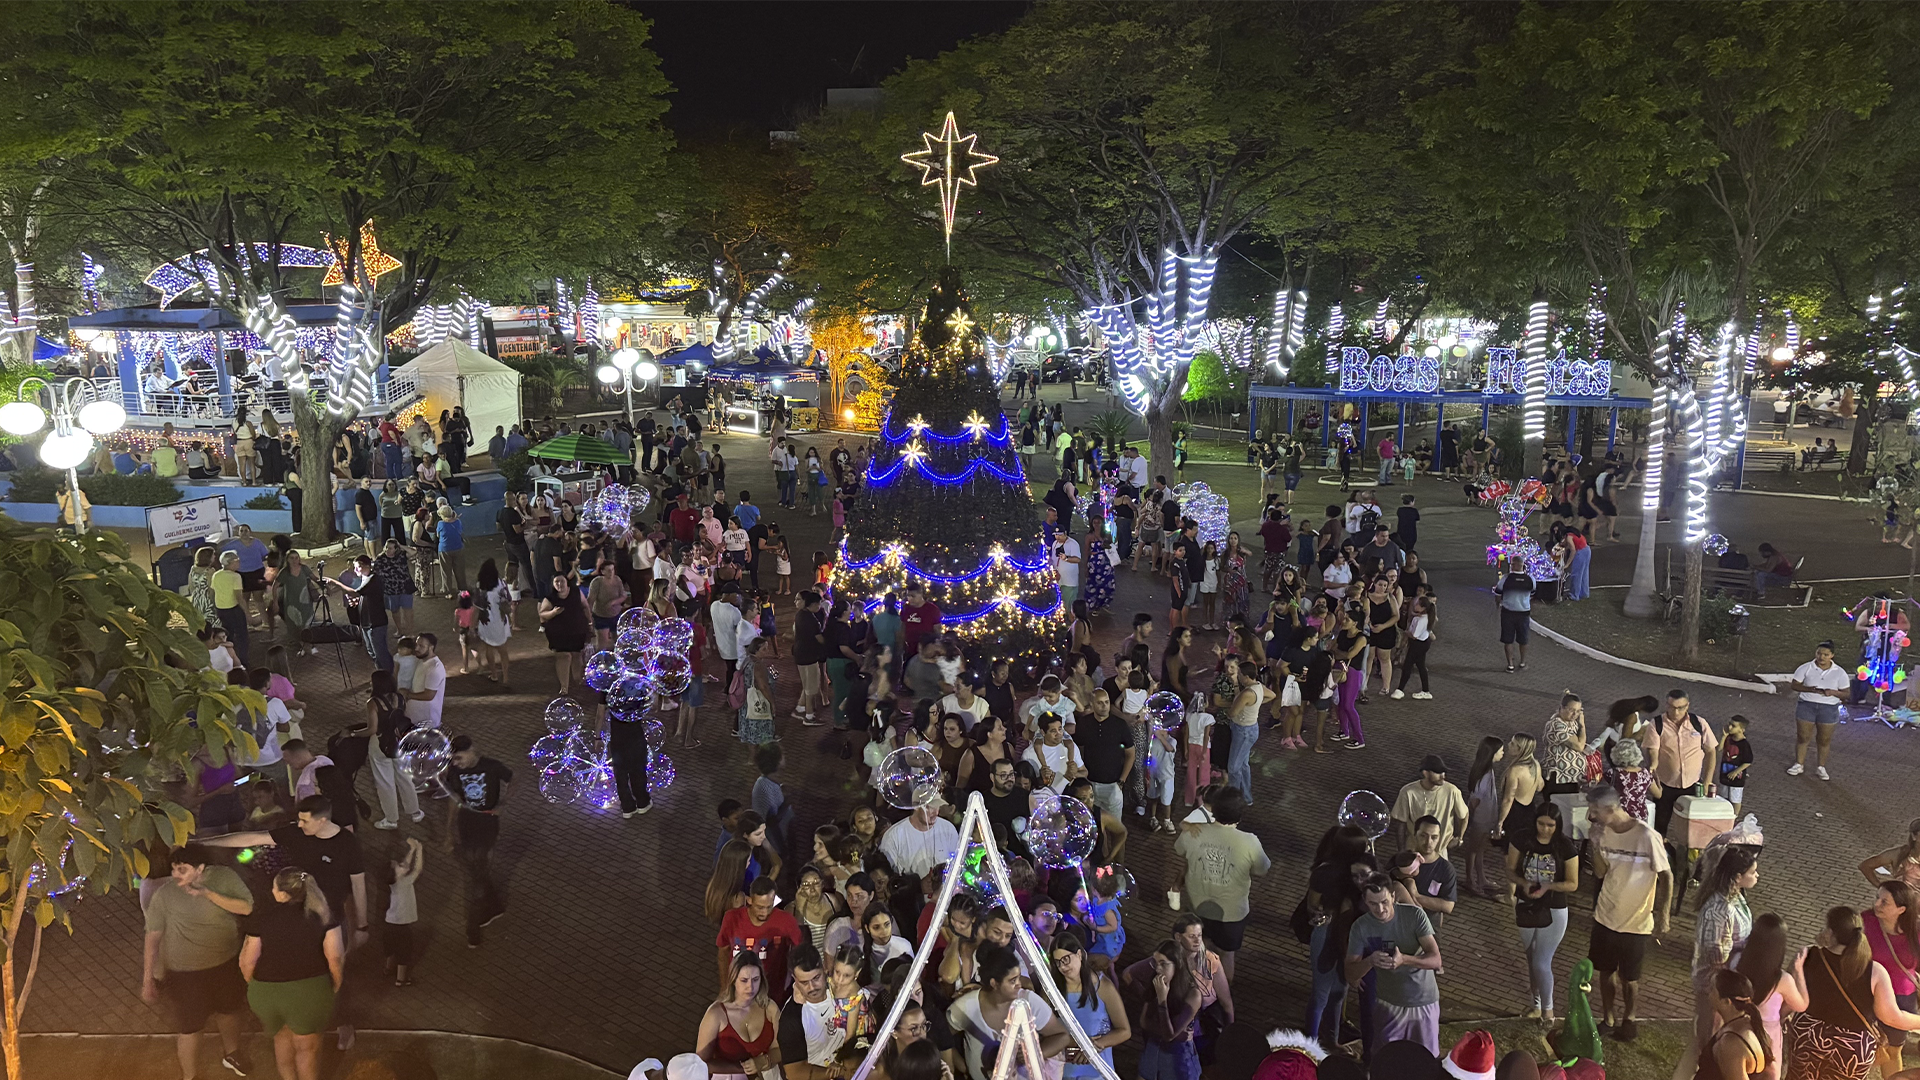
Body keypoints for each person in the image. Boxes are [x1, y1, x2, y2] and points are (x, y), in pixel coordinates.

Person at [142, 844, 256, 1080]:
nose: (175, 875)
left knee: (230, 1011)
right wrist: (148, 979)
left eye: (181, 870)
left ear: (201, 869)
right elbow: (152, 937)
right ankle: (190, 1076)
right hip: (185, 973)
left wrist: (207, 893)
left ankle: (232, 1053)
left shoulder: (224, 878)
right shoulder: (165, 894)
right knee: (190, 1028)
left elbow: (246, 907)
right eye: (174, 869)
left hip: (225, 962)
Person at [1785, 906, 1920, 1080]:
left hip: (1806, 1036)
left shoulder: (1806, 956)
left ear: (1830, 932)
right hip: (1852, 1047)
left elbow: (1788, 996)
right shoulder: (1875, 971)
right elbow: (1892, 1017)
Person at [1586, 782, 1673, 1042]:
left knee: (1630, 978)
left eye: (1594, 811)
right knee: (1605, 971)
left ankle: (1630, 1018)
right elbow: (1601, 873)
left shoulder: (1646, 836)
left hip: (1636, 922)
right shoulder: (1603, 833)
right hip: (1606, 915)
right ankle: (1609, 1017)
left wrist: (1663, 914)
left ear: (1610, 808)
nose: (1591, 816)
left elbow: (1667, 876)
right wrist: (1594, 844)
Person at [239, 869, 346, 1080]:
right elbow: (335, 957)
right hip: (309, 991)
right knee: (307, 1048)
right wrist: (335, 983)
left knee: (281, 1037)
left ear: (281, 893)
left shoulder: (262, 917)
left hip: (266, 993)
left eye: (274, 886)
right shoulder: (324, 917)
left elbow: (247, 960)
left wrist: (256, 985)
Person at [1673, 847, 1761, 1078]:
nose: (1757, 876)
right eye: (1752, 872)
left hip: (1725, 981)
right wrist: (1739, 955)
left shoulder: (1736, 897)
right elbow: (1714, 953)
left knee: (1713, 1036)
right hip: (1714, 984)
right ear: (1737, 877)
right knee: (1704, 1040)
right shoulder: (1719, 909)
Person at [1170, 786, 1268, 982]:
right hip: (1232, 912)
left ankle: (1196, 991)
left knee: (1197, 950)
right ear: (1240, 814)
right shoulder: (1249, 841)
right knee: (1226, 955)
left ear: (1213, 810)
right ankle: (1222, 997)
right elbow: (1262, 869)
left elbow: (1178, 849)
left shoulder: (1194, 832)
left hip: (1198, 907)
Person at [1343, 873, 1444, 1055]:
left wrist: (1404, 959)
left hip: (1423, 1002)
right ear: (1365, 902)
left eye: (1384, 902)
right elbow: (1350, 974)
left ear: (1393, 897)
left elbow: (1436, 960)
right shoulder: (1360, 927)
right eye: (1373, 904)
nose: (1380, 909)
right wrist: (1369, 961)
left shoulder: (1414, 915)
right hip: (1387, 1005)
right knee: (1387, 1059)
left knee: (1425, 1059)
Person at [951, 945, 1068, 1080]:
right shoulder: (967, 1005)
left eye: (1018, 978)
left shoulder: (1029, 1001)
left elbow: (1062, 1036)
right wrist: (961, 1066)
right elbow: (942, 1037)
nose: (1019, 984)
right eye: (1012, 981)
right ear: (994, 983)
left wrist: (1032, 1054)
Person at [1507, 802, 1578, 1024]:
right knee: (1531, 958)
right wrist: (1523, 883)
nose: (1545, 829)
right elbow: (1510, 869)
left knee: (1541, 961)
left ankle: (1549, 1011)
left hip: (1554, 907)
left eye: (1550, 825)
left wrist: (1548, 887)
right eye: (1541, 823)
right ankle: (1535, 1004)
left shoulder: (1565, 847)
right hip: (1526, 905)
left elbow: (1573, 883)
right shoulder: (1521, 839)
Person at [439, 735, 513, 947]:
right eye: (453, 759)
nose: (456, 763)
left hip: (487, 824)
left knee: (474, 877)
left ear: (472, 751)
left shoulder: (491, 766)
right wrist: (449, 831)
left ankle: (473, 929)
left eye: (459, 758)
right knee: (476, 870)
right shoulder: (454, 772)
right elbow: (454, 801)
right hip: (467, 823)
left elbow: (513, 778)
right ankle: (496, 906)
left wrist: (503, 803)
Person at [1049, 933, 1132, 1080]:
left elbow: (1124, 1031)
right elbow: (1043, 1029)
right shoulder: (1051, 990)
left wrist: (1094, 1046)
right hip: (1063, 1071)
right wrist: (1076, 1043)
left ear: (1079, 954)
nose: (1062, 966)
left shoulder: (1103, 986)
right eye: (1058, 962)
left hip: (1097, 1071)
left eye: (1066, 959)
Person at [1865, 881, 1920, 1079]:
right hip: (1866, 994)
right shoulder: (1865, 922)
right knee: (1860, 1045)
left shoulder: (1916, 932)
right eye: (1877, 898)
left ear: (1901, 909)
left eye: (1884, 901)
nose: (1876, 904)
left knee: (1892, 1051)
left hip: (1902, 999)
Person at [697, 953, 782, 1080]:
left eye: (755, 980)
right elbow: (700, 1063)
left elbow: (781, 1047)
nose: (750, 987)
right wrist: (743, 1069)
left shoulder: (770, 1008)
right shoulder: (716, 1014)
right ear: (733, 980)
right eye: (744, 980)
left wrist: (763, 1061)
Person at [1650, 688, 1718, 837]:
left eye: (1680, 708)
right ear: (1666, 705)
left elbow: (1711, 751)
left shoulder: (1699, 723)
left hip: (1692, 784)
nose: (1675, 712)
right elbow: (1652, 750)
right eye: (1672, 707)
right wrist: (1653, 764)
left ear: (1687, 706)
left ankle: (1690, 856)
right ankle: (1660, 853)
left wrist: (1707, 782)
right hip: (1665, 785)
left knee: (1695, 827)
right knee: (1659, 825)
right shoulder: (1656, 724)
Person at [1788, 641, 1850, 780]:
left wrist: (1833, 692)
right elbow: (1795, 685)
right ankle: (1799, 764)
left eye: (1825, 654)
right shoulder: (1805, 667)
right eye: (1819, 653)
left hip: (1828, 708)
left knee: (1824, 739)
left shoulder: (1839, 672)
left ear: (1832, 656)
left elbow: (1846, 693)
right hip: (1807, 705)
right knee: (1803, 736)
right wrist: (1810, 689)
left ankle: (1821, 767)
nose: (1821, 657)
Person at [1391, 754, 1469, 853]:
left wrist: (1459, 838)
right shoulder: (1408, 792)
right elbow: (1400, 823)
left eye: (1443, 772)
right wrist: (1401, 851)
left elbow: (1464, 815)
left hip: (1440, 852)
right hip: (1414, 851)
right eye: (1437, 772)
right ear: (1425, 773)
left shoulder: (1451, 791)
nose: (1443, 776)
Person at [880, 800, 961, 879]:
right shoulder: (893, 836)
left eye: (937, 807)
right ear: (916, 806)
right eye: (929, 807)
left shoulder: (948, 828)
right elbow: (887, 877)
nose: (936, 812)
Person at [381, 838, 423, 988]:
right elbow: (417, 869)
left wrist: (411, 850)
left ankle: (387, 968)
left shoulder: (395, 882)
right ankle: (401, 979)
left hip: (390, 923)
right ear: (395, 874)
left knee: (391, 948)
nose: (402, 864)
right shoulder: (404, 882)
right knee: (404, 951)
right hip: (401, 925)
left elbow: (405, 864)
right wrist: (419, 849)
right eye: (398, 865)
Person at [1497, 565, 1535, 672]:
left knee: (1508, 640)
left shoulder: (1505, 578)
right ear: (1523, 566)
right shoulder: (1530, 579)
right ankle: (1522, 663)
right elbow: (1532, 593)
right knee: (1523, 639)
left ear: (1511, 566)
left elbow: (1498, 593)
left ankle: (1510, 665)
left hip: (1508, 613)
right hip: (1523, 614)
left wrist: (1498, 606)